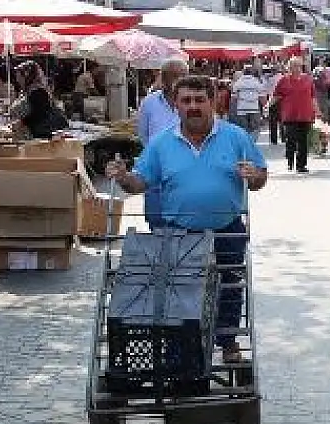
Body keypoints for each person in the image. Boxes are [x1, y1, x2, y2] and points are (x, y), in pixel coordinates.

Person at [106, 76, 269, 365]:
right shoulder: (161, 143)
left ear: (212, 101)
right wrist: (122, 177)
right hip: (178, 233)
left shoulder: (236, 137)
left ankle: (228, 342)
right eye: (186, 101)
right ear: (176, 105)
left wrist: (253, 176)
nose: (193, 106)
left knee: (230, 287)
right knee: (178, 292)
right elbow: (139, 182)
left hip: (226, 227)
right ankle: (180, 350)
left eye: (199, 100)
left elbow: (260, 178)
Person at [272, 57, 318, 173]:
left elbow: (312, 97)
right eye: (294, 66)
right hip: (289, 115)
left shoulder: (308, 79)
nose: (296, 68)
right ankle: (290, 160)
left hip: (305, 114)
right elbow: (277, 96)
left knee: (303, 141)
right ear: (289, 67)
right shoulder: (283, 80)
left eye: (298, 66)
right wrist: (268, 105)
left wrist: (317, 111)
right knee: (291, 139)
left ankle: (301, 165)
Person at [136, 59, 187, 146]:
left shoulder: (194, 103)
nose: (180, 80)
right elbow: (143, 135)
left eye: (183, 76)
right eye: (175, 76)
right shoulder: (149, 102)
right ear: (163, 78)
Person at [13, 63, 67, 140]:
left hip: (42, 134)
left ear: (27, 75)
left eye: (18, 76)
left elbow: (39, 113)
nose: (17, 79)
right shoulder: (28, 91)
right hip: (34, 133)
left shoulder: (38, 91)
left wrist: (22, 122)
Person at [229, 65, 266, 137]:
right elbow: (262, 98)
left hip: (241, 110)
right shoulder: (257, 82)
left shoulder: (238, 83)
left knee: (244, 129)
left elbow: (234, 99)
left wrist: (232, 111)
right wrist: (265, 108)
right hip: (254, 109)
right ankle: (252, 142)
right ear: (252, 73)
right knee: (255, 128)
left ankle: (247, 142)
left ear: (243, 72)